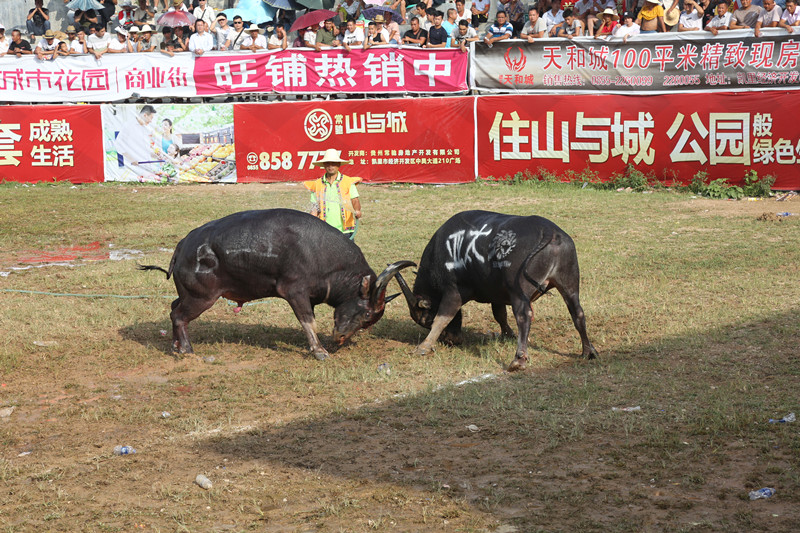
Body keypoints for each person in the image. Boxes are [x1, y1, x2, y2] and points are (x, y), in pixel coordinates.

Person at [304, 149, 363, 240]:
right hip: (325, 230)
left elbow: (355, 200)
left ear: (338, 165)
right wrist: (310, 221)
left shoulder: (347, 182)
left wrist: (357, 210)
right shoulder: (317, 184)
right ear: (324, 165)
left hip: (345, 230)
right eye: (328, 163)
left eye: (333, 163)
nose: (330, 166)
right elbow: (315, 207)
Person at [115, 105, 158, 177]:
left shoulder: (148, 128)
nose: (151, 121)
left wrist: (154, 155)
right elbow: (118, 144)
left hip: (147, 166)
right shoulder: (129, 125)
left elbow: (145, 147)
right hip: (133, 167)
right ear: (145, 115)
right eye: (151, 118)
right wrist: (131, 159)